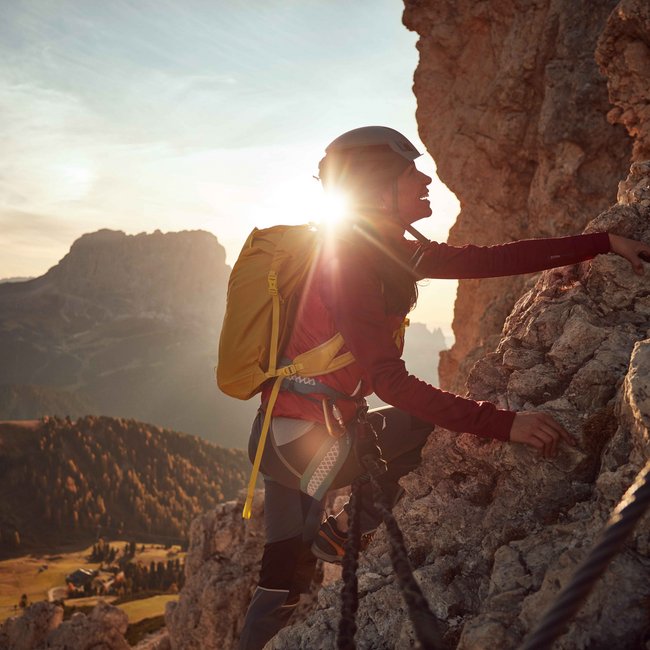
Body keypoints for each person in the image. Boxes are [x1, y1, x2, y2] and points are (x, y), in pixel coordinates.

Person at [237, 126, 650, 649]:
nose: (426, 178)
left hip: (280, 436)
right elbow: (392, 383)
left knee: (279, 584)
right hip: (305, 443)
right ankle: (341, 532)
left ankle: (333, 537)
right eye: (411, 172)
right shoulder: (354, 264)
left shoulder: (385, 249)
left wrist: (602, 243)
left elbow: (492, 259)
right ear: (378, 189)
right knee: (429, 427)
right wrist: (506, 424)